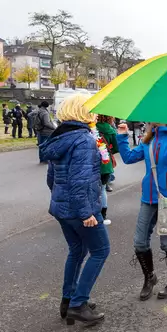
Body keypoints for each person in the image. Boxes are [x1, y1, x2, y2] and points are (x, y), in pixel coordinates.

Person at [39, 94, 110, 326]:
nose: (96, 112)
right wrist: (86, 212)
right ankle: (78, 305)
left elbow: (52, 179)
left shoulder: (61, 136)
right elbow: (81, 181)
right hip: (81, 208)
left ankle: (68, 300)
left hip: (62, 207)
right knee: (100, 250)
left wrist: (63, 202)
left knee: (77, 251)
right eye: (93, 108)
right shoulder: (84, 140)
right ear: (84, 111)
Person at [117, 122, 167, 301]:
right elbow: (129, 158)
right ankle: (150, 278)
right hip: (149, 198)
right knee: (140, 242)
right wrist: (122, 137)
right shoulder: (149, 140)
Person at [96, 115, 119, 224]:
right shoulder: (111, 130)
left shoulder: (90, 128)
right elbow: (116, 147)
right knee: (103, 189)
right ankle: (103, 215)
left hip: (90, 163)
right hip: (105, 164)